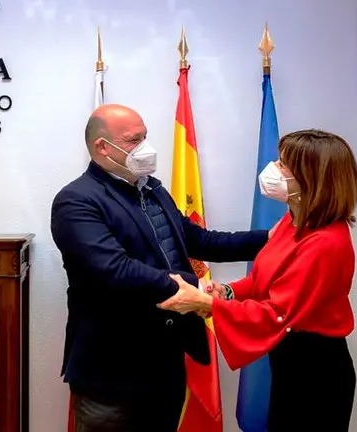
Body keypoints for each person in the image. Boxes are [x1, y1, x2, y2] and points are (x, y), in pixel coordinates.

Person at [50, 103, 271, 432]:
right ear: (102, 147)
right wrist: (193, 289)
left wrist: (272, 238)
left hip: (165, 363)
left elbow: (201, 241)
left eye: (145, 137)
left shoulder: (152, 189)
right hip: (112, 370)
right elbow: (114, 270)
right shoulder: (77, 200)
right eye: (133, 140)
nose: (145, 147)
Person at [159, 128, 357, 431]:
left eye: (283, 165)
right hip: (289, 361)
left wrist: (207, 303)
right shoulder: (294, 221)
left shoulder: (325, 242)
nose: (273, 168)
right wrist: (227, 292)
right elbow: (264, 280)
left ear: (311, 178)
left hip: (316, 368)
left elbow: (278, 313)